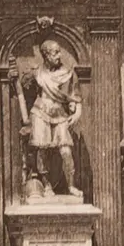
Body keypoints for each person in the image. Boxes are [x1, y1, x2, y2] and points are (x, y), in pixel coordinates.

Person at [23, 38, 82, 196]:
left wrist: (77, 111)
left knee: (66, 151)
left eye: (59, 52)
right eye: (55, 53)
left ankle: (71, 186)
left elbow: (76, 96)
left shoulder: (67, 73)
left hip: (59, 113)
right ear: (46, 55)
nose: (59, 55)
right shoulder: (37, 73)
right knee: (42, 148)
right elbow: (23, 86)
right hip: (40, 112)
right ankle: (47, 184)